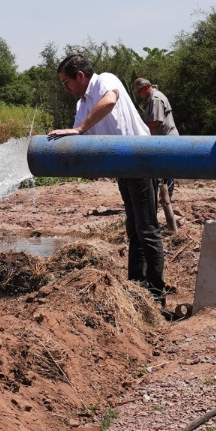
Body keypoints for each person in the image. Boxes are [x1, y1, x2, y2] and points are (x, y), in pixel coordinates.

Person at [49, 55, 167, 303]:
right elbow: (79, 139)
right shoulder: (82, 106)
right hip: (122, 167)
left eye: (65, 82)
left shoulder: (105, 80)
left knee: (147, 228)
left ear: (80, 75)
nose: (65, 87)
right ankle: (138, 287)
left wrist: (80, 130)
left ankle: (157, 294)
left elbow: (110, 101)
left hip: (139, 159)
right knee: (134, 228)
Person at [133, 78, 178, 197]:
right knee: (162, 170)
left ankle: (166, 197)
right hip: (161, 139)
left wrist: (141, 129)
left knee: (166, 170)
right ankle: (164, 197)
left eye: (139, 91)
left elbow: (157, 121)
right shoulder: (153, 98)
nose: (138, 95)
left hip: (166, 139)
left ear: (146, 87)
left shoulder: (155, 99)